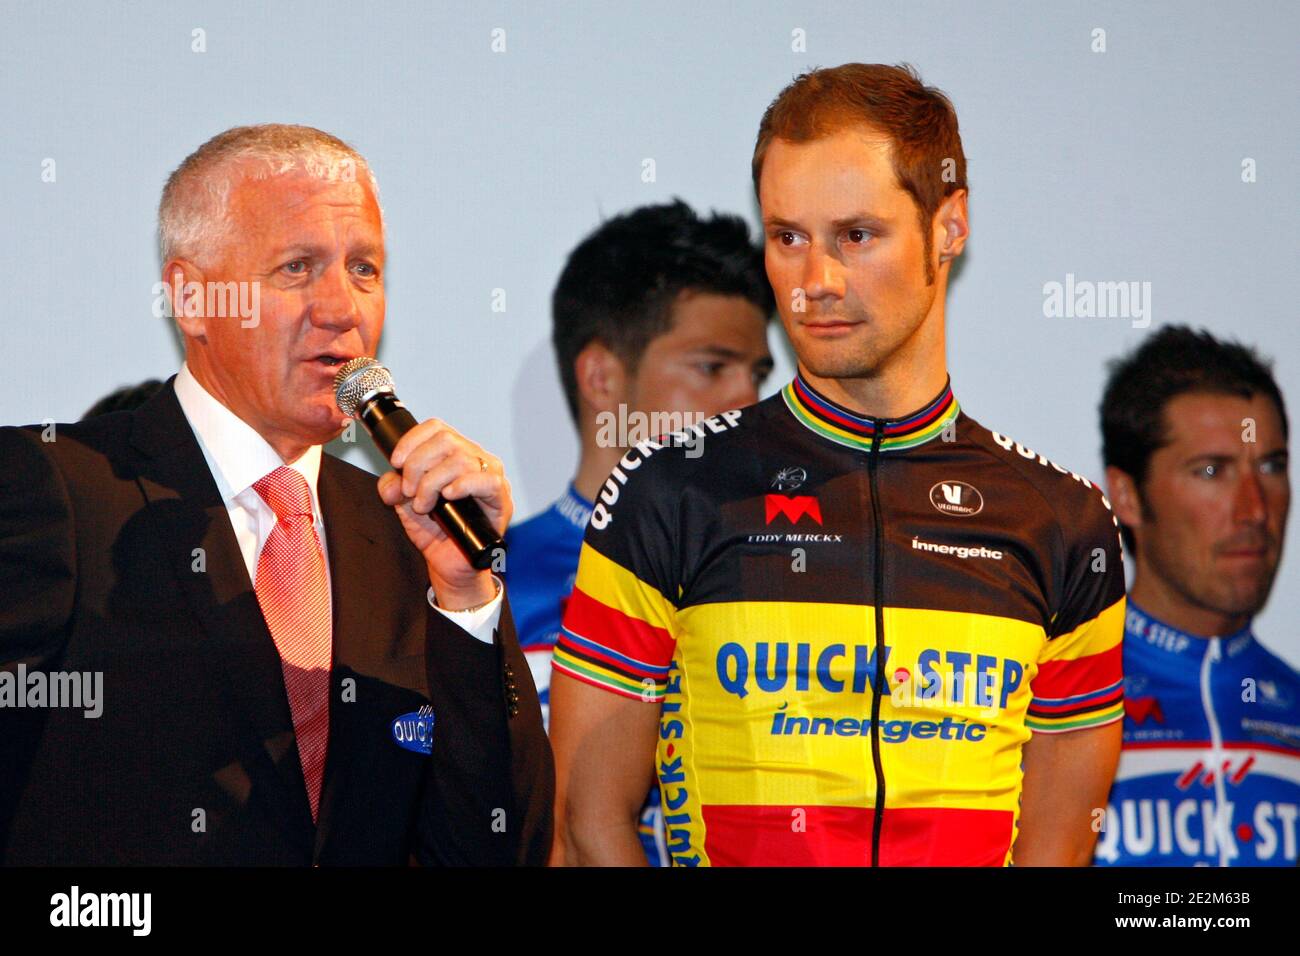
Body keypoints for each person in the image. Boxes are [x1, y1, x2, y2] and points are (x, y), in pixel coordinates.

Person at [550, 63, 1127, 866]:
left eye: (856, 236)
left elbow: (1060, 847)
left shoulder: (1063, 522)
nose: (815, 283)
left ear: (949, 226)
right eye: (787, 238)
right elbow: (586, 826)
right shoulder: (671, 491)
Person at [0, 124, 552, 865]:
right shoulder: (58, 490)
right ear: (192, 300)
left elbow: (501, 847)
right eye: (297, 268)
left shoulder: (410, 536)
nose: (342, 308)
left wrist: (467, 599)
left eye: (364, 269)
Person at [505, 199, 774, 865]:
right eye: (713, 367)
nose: (750, 402)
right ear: (601, 376)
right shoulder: (484, 588)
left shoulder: (793, 583)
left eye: (759, 374)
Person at [1094, 326, 1299, 866]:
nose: (1255, 509)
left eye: (1272, 467)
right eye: (1212, 471)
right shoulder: (1052, 702)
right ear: (1127, 497)